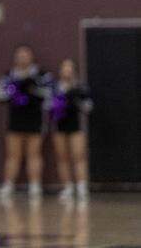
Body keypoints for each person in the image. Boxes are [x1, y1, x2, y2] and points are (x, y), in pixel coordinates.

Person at [0, 45, 52, 200]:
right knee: (13, 155)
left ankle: (35, 186)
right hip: (15, 120)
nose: (22, 57)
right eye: (19, 55)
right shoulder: (9, 75)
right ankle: (8, 185)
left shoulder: (42, 75)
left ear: (31, 57)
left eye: (25, 54)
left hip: (35, 120)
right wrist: (12, 90)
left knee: (34, 154)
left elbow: (49, 94)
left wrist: (33, 87)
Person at [50, 58, 92, 202]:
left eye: (69, 67)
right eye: (64, 67)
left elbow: (88, 106)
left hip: (75, 126)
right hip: (60, 126)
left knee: (78, 156)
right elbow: (48, 105)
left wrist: (77, 101)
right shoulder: (55, 87)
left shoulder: (80, 87)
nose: (66, 70)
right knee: (62, 158)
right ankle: (67, 187)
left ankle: (81, 186)